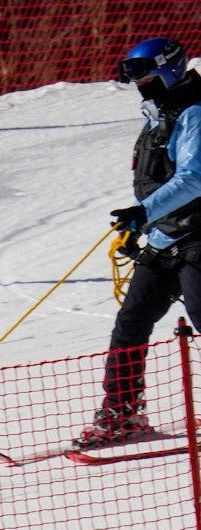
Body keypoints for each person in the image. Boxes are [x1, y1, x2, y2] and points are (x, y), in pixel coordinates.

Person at [76, 37, 201, 448]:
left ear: (169, 69)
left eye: (146, 75)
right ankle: (121, 413)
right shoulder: (156, 117)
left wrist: (144, 212)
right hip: (165, 238)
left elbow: (194, 178)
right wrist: (138, 226)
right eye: (136, 77)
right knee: (131, 323)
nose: (141, 84)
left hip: (198, 236)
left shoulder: (194, 113)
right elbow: (155, 182)